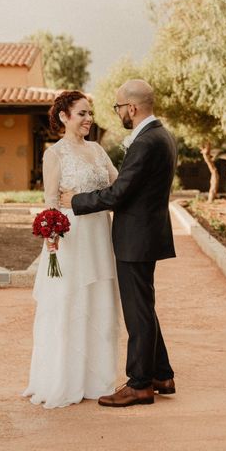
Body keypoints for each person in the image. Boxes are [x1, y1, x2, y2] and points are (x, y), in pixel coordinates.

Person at [60, 79, 177, 407]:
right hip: (147, 235)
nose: (118, 114)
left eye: (118, 108)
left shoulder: (146, 142)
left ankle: (139, 384)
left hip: (136, 238)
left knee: (137, 311)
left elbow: (119, 192)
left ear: (132, 108)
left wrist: (77, 202)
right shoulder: (162, 136)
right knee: (144, 305)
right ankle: (162, 373)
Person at [23, 90, 121, 409]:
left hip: (99, 236)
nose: (88, 118)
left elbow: (118, 186)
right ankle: (64, 379)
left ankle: (96, 380)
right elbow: (50, 201)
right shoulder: (55, 154)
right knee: (70, 301)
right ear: (64, 117)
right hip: (71, 238)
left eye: (90, 113)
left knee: (99, 300)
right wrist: (51, 237)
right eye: (81, 113)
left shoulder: (97, 149)